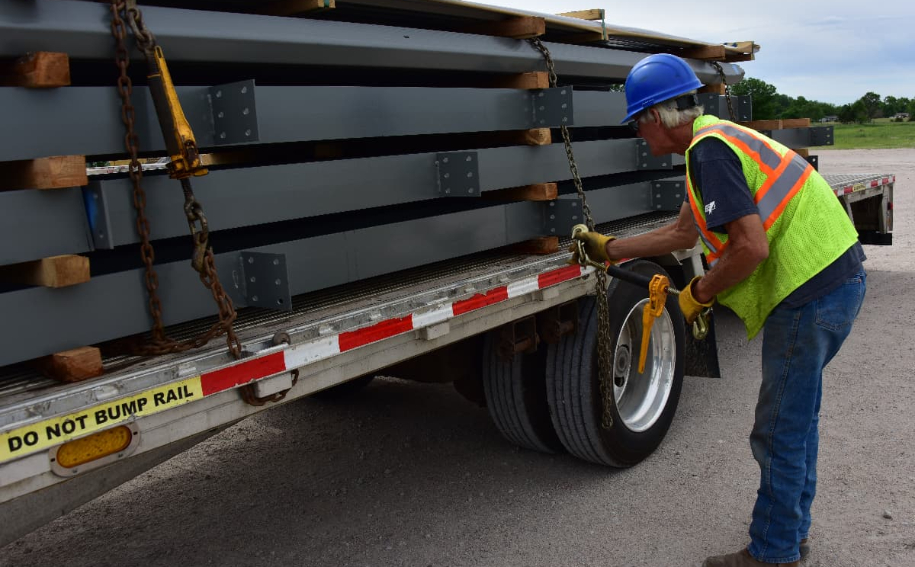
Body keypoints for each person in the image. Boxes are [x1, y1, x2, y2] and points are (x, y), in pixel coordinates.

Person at [572, 54, 866, 567]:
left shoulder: (710, 153)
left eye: (638, 122)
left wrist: (699, 293)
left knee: (779, 428)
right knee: (796, 420)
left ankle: (773, 553)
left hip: (810, 291)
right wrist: (611, 249)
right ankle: (791, 536)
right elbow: (684, 233)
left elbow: (750, 248)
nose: (639, 135)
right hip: (835, 278)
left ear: (658, 115)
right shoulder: (711, 140)